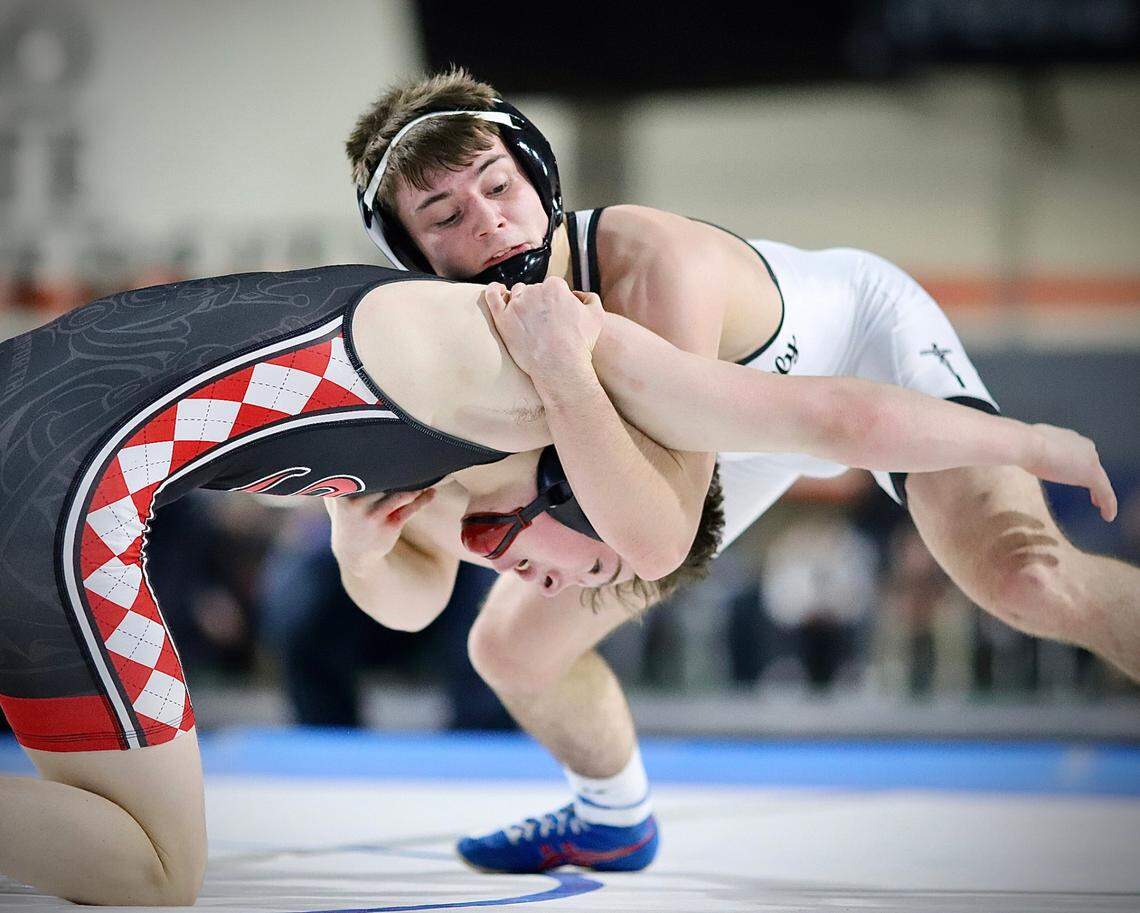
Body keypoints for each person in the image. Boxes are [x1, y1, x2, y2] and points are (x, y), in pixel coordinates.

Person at [0, 264, 1114, 904]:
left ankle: (614, 811)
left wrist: (351, 541)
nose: (539, 577)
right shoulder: (562, 363)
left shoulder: (442, 470)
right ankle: (617, 809)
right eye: (589, 572)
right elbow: (838, 417)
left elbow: (410, 603)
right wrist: (1036, 443)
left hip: (45, 432)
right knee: (150, 873)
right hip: (66, 483)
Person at [345, 67, 1139, 874]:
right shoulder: (462, 339)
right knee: (512, 648)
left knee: (1029, 577)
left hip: (850, 355)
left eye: (498, 186)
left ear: (538, 173)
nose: (489, 223)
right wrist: (356, 541)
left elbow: (762, 460)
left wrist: (1028, 443)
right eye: (445, 215)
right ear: (413, 255)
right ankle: (613, 814)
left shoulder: (649, 262)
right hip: (727, 433)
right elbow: (418, 581)